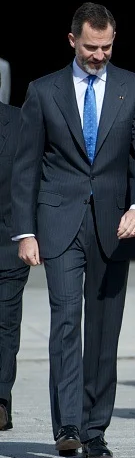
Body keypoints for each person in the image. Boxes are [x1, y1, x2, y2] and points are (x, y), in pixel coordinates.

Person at [11, 2, 135, 457]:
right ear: (72, 40)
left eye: (107, 47)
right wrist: (25, 231)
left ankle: (96, 427)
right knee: (64, 322)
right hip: (58, 220)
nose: (99, 55)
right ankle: (68, 426)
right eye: (92, 47)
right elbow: (25, 166)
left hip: (115, 224)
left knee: (103, 328)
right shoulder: (43, 91)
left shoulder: (132, 89)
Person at [0, 100, 30, 431]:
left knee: (5, 327)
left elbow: (32, 177)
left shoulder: (19, 122)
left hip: (6, 244)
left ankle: (0, 401)